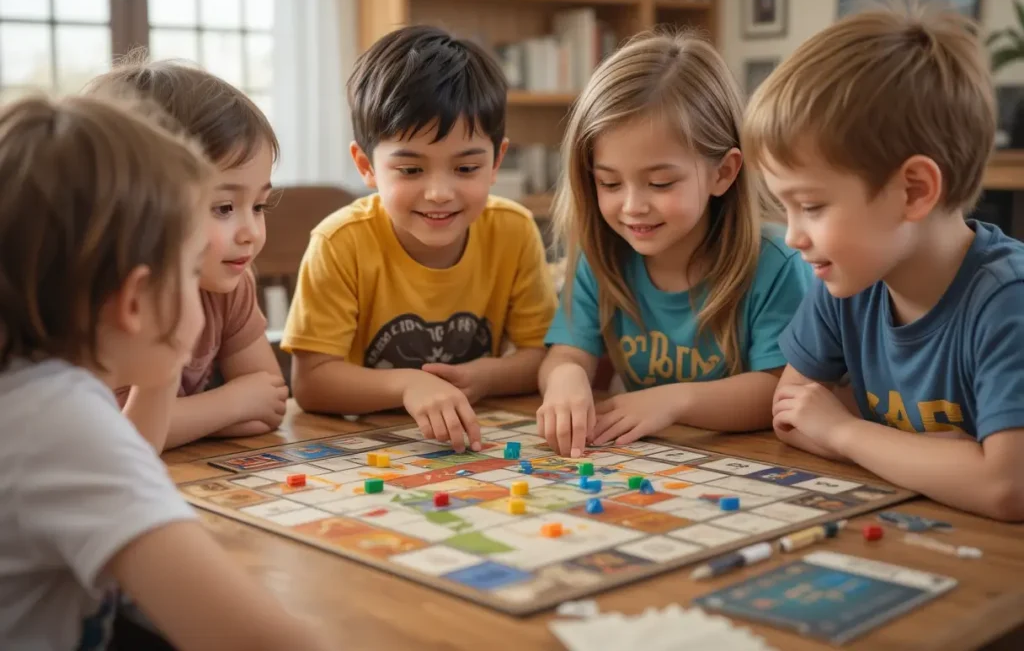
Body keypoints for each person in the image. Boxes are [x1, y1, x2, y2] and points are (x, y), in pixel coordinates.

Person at [0, 95, 334, 650]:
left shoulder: (36, 389)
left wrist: (159, 366)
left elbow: (135, 445)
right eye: (186, 269)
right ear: (134, 300)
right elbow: (254, 642)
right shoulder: (61, 427)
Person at [744, 0, 1024, 522]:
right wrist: (946, 458)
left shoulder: (1008, 299)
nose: (793, 235)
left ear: (913, 191)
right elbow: (791, 416)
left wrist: (844, 429)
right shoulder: (846, 280)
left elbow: (1005, 486)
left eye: (811, 206)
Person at [282, 25, 557, 453]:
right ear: (366, 165)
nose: (439, 193)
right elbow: (312, 383)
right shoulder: (340, 242)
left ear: (497, 160)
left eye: (465, 169)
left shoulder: (514, 230)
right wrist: (408, 384)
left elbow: (541, 356)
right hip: (363, 449)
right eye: (411, 170)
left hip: (474, 443)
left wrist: (486, 376)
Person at [537, 29, 812, 458]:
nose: (632, 206)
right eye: (609, 182)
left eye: (660, 182)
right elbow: (566, 354)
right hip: (659, 460)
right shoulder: (600, 254)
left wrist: (675, 399)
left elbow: (780, 390)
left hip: (751, 459)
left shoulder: (776, 263)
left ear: (723, 172)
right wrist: (565, 377)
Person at [86, 54, 289, 450]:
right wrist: (231, 402)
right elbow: (116, 442)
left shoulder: (232, 283)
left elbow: (269, 404)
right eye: (224, 208)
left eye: (259, 206)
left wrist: (189, 421)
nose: (251, 232)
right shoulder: (104, 305)